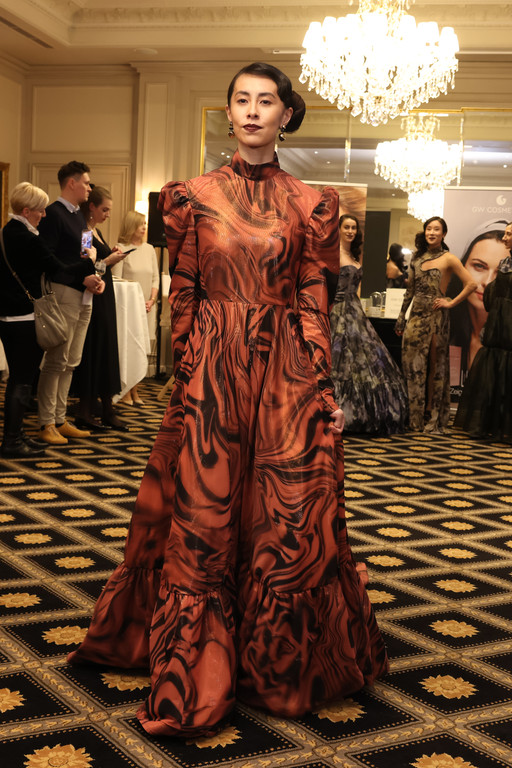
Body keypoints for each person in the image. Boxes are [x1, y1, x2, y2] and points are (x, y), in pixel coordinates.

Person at [69, 61, 388, 738]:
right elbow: (184, 291)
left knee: (286, 513)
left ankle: (274, 664)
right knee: (205, 514)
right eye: (240, 99)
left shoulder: (313, 203)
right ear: (230, 110)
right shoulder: (190, 196)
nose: (250, 111)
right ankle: (197, 667)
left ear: (285, 115)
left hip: (284, 372)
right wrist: (186, 374)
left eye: (265, 101)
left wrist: (323, 385)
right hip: (212, 372)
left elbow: (314, 303)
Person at [0, 182, 102, 457]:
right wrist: (90, 260)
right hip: (25, 316)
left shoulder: (5, 233)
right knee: (22, 380)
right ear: (26, 211)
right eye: (40, 210)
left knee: (19, 379)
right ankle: (12, 440)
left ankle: (17, 435)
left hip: (8, 316)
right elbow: (60, 269)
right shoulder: (28, 238)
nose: (44, 215)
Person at [37, 161, 105, 445]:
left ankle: (60, 418)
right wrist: (81, 276)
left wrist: (95, 278)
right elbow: (48, 261)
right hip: (64, 293)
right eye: (86, 183)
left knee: (71, 362)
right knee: (56, 361)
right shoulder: (53, 213)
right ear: (72, 183)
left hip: (83, 294)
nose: (89, 188)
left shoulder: (79, 216)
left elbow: (85, 255)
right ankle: (46, 422)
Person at [395, 216, 477, 433]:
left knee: (436, 367)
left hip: (437, 318)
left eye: (436, 229)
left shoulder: (449, 258)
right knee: (413, 367)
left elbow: (471, 284)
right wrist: (402, 316)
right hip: (415, 317)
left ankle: (433, 416)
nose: (431, 233)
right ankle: (414, 418)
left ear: (443, 234)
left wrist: (450, 302)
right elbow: (410, 291)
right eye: (429, 229)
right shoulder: (416, 257)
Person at [330, 215, 408, 434]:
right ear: (338, 229)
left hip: (355, 310)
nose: (350, 231)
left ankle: (363, 413)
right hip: (337, 311)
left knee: (366, 359)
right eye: (346, 227)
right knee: (339, 359)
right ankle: (337, 410)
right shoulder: (333, 253)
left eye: (353, 228)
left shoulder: (353, 255)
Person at [73, 186, 128, 431]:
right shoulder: (85, 233)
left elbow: (100, 265)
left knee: (105, 348)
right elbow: (87, 268)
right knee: (93, 349)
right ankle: (86, 410)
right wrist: (108, 260)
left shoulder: (97, 231)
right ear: (92, 207)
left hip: (104, 296)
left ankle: (107, 408)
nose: (107, 214)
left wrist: (111, 257)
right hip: (93, 298)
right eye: (104, 209)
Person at [454, 221, 512, 441]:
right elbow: (492, 297)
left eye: (509, 234)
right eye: (479, 266)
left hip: (509, 330)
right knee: (494, 376)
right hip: (497, 329)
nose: (506, 238)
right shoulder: (505, 262)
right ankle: (490, 425)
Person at [448, 220, 509, 389]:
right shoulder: (448, 330)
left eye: (500, 271)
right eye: (479, 266)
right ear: (463, 266)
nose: (487, 282)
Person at [112, 211, 159, 405]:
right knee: (128, 348)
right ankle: (125, 391)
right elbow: (116, 280)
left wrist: (151, 300)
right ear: (131, 226)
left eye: (145, 224)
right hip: (129, 309)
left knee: (141, 349)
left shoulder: (149, 249)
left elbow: (155, 278)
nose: (144, 227)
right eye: (141, 224)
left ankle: (135, 391)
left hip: (146, 308)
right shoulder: (121, 249)